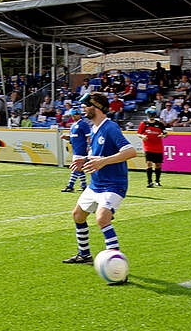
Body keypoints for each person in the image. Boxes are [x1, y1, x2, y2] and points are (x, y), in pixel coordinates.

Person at [62, 93, 138, 271]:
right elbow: (99, 154)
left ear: (95, 107)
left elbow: (131, 152)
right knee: (78, 215)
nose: (82, 109)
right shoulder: (95, 128)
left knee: (102, 218)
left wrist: (102, 161)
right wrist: (86, 160)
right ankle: (84, 254)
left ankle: (117, 266)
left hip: (113, 184)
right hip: (96, 184)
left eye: (85, 106)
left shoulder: (110, 127)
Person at [62, 110, 92, 192]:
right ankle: (84, 185)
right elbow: (73, 138)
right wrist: (66, 137)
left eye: (76, 114)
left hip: (81, 148)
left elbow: (89, 137)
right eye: (73, 114)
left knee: (75, 166)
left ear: (80, 115)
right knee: (79, 168)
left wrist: (89, 146)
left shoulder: (83, 124)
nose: (74, 116)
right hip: (75, 148)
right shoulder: (73, 125)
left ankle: (70, 185)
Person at [137, 106, 167, 188]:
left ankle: (157, 181)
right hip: (148, 147)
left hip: (158, 147)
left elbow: (165, 133)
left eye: (153, 114)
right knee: (149, 163)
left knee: (158, 165)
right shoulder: (143, 124)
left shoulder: (160, 124)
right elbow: (138, 133)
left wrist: (163, 135)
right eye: (150, 114)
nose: (151, 116)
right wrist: (142, 136)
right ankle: (149, 182)